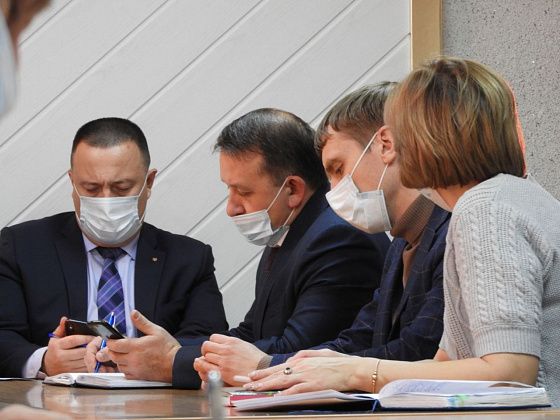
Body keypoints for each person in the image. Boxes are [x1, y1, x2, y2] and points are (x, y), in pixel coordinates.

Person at [244, 57, 560, 407]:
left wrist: (357, 371)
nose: (388, 145)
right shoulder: (508, 197)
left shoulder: (485, 207)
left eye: (396, 131)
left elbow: (511, 371)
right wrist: (330, 367)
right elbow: (445, 363)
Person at [87, 108, 390, 387]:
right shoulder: (291, 231)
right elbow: (250, 334)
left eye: (242, 191)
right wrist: (155, 351)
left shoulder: (338, 239)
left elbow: (294, 350)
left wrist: (172, 361)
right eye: (228, 189)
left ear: (292, 189)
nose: (231, 208)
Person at [193, 84, 450, 385]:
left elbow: (417, 350)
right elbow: (359, 338)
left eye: (338, 169)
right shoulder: (400, 243)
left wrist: (268, 366)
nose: (334, 189)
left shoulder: (449, 232)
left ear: (386, 145)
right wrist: (273, 366)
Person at [0, 117, 228, 378]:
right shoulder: (21, 246)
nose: (106, 201)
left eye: (121, 188)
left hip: (155, 400)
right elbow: (4, 334)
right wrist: (43, 360)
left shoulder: (190, 259)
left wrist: (166, 357)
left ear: (149, 182)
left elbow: (210, 340)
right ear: (72, 182)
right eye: (91, 188)